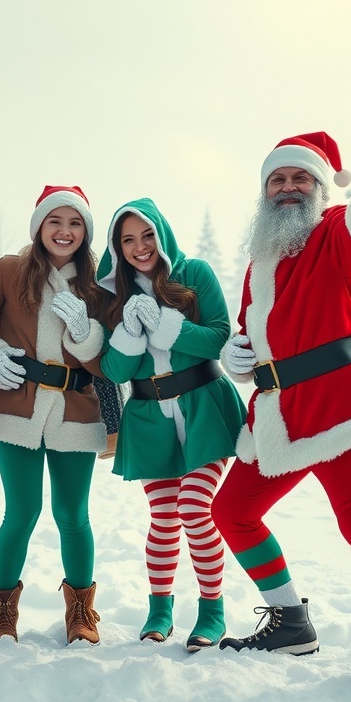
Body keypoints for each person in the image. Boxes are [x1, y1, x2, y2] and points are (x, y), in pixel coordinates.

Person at [212, 128, 351, 688]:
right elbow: (253, 334)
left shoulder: (335, 234)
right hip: (278, 417)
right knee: (232, 513)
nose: (287, 187)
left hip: (339, 406)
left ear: (319, 188)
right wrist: (239, 356)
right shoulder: (258, 265)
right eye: (277, 179)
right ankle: (290, 623)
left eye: (300, 178)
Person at [97, 199, 246, 651]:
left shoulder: (194, 274)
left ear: (162, 235)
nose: (140, 247)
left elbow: (218, 335)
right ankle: (160, 610)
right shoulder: (113, 296)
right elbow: (115, 372)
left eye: (147, 235)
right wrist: (128, 334)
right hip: (150, 419)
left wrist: (166, 326)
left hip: (205, 408)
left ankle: (211, 612)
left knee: (195, 507)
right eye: (128, 240)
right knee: (164, 516)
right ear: (117, 248)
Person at [0, 185, 107, 646]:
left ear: (84, 232)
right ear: (39, 227)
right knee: (21, 511)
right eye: (55, 222)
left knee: (72, 514)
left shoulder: (100, 283)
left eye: (74, 223)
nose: (64, 231)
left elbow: (107, 358)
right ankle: (2, 611)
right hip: (16, 404)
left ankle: (81, 610)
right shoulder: (9, 270)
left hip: (76, 409)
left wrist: (86, 333)